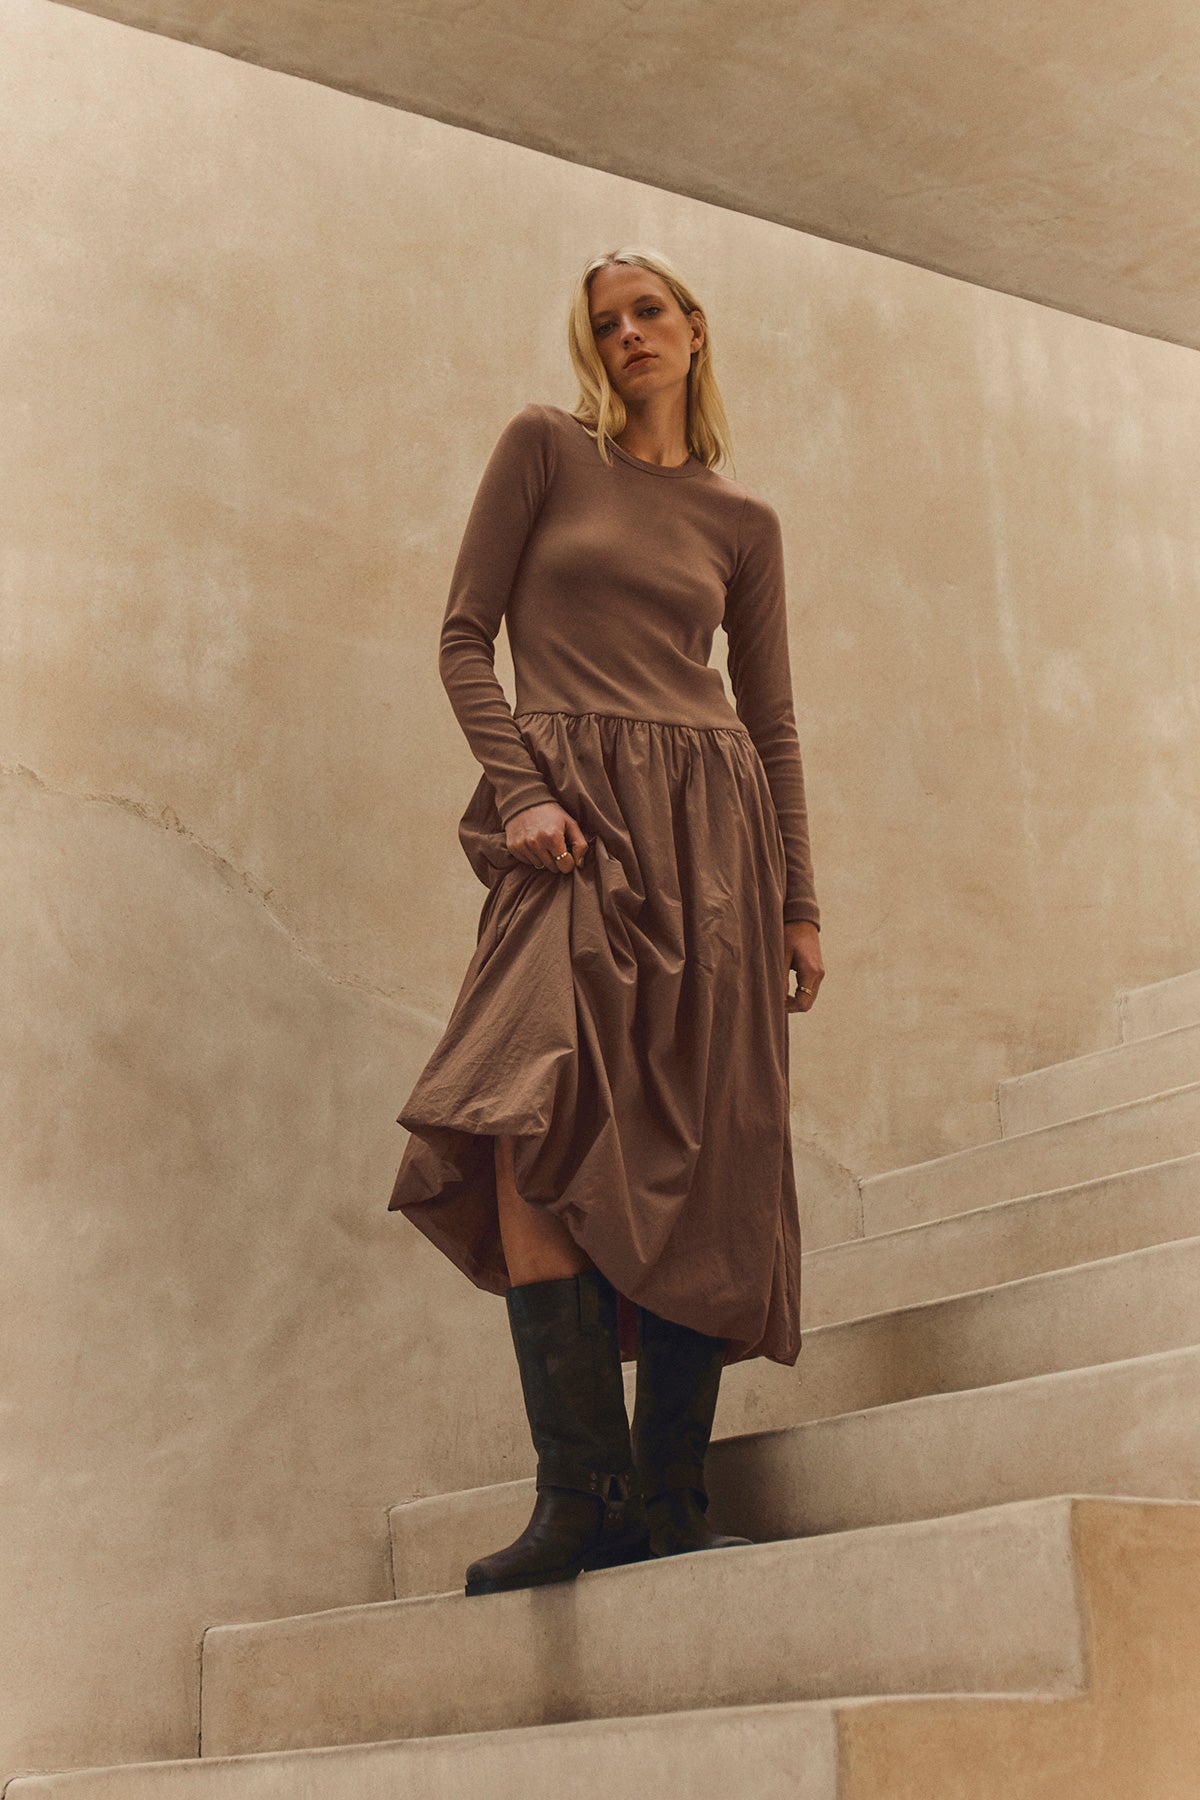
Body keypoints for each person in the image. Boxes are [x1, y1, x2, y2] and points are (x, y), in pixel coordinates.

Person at [387, 244, 825, 1598]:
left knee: (705, 1143)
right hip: (573, 825)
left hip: (716, 839)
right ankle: (578, 1489)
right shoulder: (544, 449)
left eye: (651, 310)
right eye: (605, 319)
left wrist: (800, 899)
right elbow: (465, 636)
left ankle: (673, 1494)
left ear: (696, 329)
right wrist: (518, 793)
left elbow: (773, 717)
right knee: (527, 1111)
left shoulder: (742, 521)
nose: (629, 332)